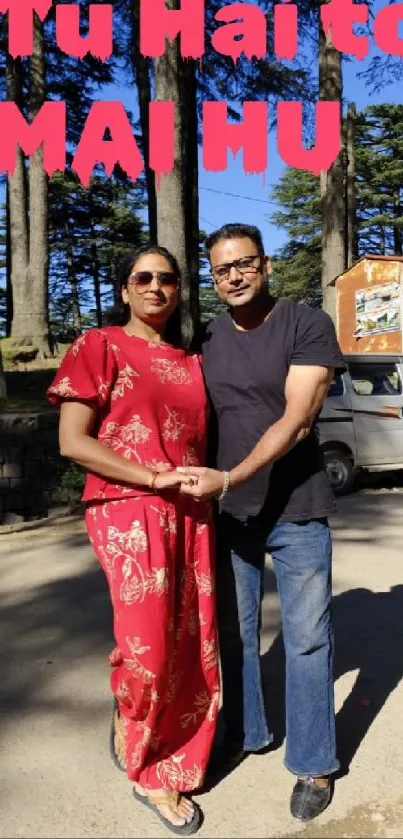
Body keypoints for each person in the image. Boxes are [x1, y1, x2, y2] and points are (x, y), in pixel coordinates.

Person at [47, 244, 220, 836]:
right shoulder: (98, 346)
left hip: (192, 514)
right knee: (149, 648)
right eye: (142, 277)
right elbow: (74, 441)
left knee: (189, 645)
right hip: (129, 509)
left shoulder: (191, 360)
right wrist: (151, 476)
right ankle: (147, 767)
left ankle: (170, 742)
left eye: (167, 278)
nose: (155, 287)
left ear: (177, 290)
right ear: (124, 288)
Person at [178, 223, 345, 823]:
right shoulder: (207, 338)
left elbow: (299, 420)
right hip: (229, 515)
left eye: (244, 264)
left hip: (296, 508)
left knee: (306, 639)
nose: (234, 277)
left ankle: (314, 762)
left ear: (265, 265)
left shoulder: (305, 324)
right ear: (214, 277)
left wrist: (231, 476)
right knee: (232, 634)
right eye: (222, 270)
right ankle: (244, 734)